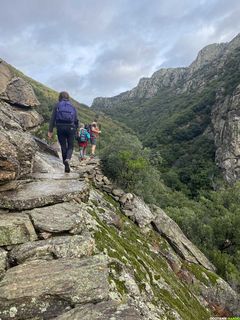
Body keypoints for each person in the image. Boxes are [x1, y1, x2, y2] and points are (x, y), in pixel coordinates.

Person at [48, 91, 79, 173]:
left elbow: (52, 118)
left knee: (63, 146)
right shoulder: (72, 106)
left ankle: (65, 165)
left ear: (60, 97)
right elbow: (76, 120)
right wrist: (76, 130)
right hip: (71, 128)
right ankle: (68, 159)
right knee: (71, 146)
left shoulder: (57, 105)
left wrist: (50, 130)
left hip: (60, 127)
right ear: (68, 97)